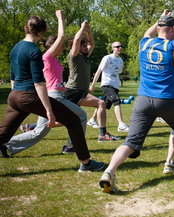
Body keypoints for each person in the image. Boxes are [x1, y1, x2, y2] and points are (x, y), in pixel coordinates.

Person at [99, 7, 174, 193]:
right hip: (167, 100)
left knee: (131, 142)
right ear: (173, 30)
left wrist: (161, 18)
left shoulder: (144, 43)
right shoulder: (173, 47)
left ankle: (109, 170)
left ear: (158, 28)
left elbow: (147, 32)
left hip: (143, 100)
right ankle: (169, 162)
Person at [0, 15, 104, 172]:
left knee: (4, 133)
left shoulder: (16, 48)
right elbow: (39, 83)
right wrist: (49, 111)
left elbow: (13, 76)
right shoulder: (34, 51)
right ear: (41, 33)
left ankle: (6, 145)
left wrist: (17, 94)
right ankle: (86, 163)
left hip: (15, 96)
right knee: (74, 120)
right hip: (29, 95)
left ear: (26, 29)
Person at [64, 21, 120, 142]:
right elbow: (77, 41)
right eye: (83, 46)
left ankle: (32, 127)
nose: (87, 47)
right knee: (101, 103)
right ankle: (103, 134)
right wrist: (82, 28)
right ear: (78, 47)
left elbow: (92, 44)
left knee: (63, 120)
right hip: (73, 91)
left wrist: (88, 31)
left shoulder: (85, 56)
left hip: (79, 92)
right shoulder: (74, 56)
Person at [88, 42, 129, 133]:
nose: (120, 48)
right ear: (112, 48)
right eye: (117, 46)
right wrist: (93, 84)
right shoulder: (107, 58)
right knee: (116, 101)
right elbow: (99, 71)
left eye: (121, 46)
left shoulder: (120, 60)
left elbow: (118, 72)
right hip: (107, 84)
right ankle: (121, 124)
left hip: (115, 86)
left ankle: (92, 120)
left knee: (104, 104)